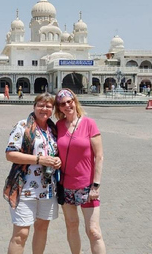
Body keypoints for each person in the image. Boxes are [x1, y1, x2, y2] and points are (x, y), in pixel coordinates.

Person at [3, 93, 61, 254]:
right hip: (25, 188)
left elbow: (56, 153)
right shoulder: (23, 126)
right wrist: (39, 160)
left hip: (48, 190)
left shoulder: (53, 129)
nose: (44, 109)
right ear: (34, 107)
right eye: (41, 105)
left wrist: (57, 161)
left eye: (48, 106)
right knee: (21, 233)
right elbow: (10, 154)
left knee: (42, 228)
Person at [54, 88, 106, 254]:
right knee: (71, 225)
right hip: (66, 185)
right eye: (63, 104)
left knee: (93, 231)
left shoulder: (89, 123)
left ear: (75, 101)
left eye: (70, 101)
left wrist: (96, 186)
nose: (67, 105)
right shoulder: (59, 126)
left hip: (87, 186)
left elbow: (99, 156)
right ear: (59, 108)